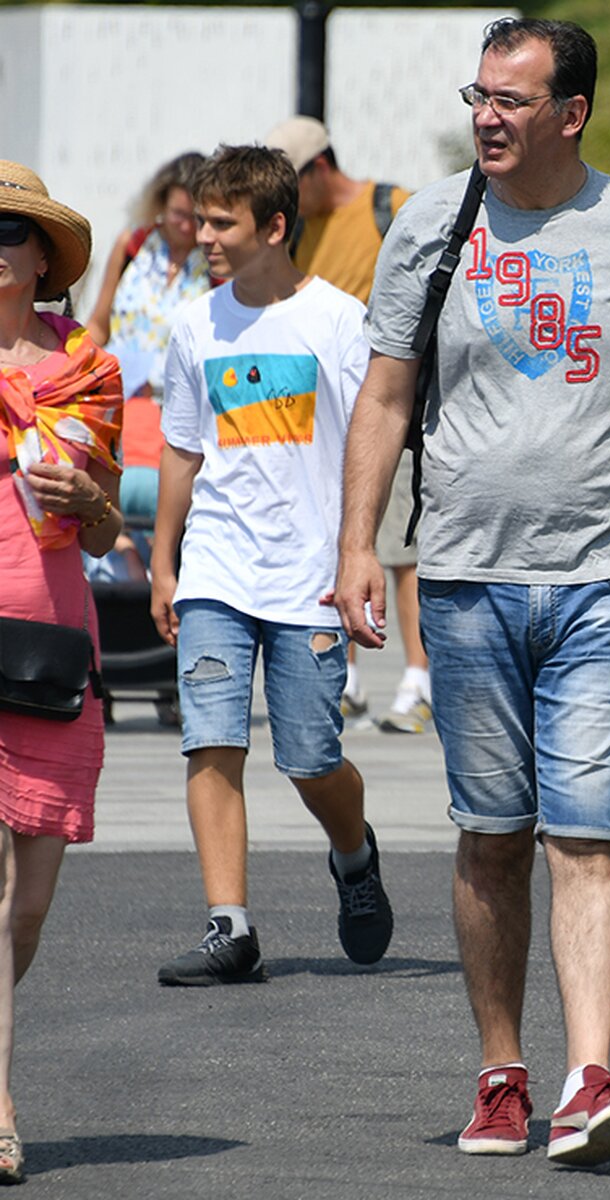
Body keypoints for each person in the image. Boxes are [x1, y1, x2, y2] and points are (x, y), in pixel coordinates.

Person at [334, 17, 610, 1168]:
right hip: (462, 580)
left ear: (573, 113)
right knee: (492, 837)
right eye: (480, 96)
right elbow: (386, 399)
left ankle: (589, 1076)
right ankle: (502, 1073)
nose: (489, 116)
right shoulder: (430, 222)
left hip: (604, 577)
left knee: (587, 833)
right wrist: (358, 546)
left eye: (513, 99)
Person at [150, 145, 392, 986]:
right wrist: (162, 562)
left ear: (275, 226)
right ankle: (230, 927)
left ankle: (354, 856)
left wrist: (359, 553)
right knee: (210, 739)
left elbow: (373, 439)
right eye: (202, 219)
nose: (204, 235)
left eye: (222, 222)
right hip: (217, 566)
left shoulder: (338, 321)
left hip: (310, 576)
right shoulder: (194, 323)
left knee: (309, 757)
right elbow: (182, 449)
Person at [0, 160, 125, 1182]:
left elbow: (107, 524)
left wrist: (84, 489)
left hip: (47, 645)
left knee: (25, 907)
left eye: (6, 231)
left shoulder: (89, 367)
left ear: (41, 257)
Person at [265, 117, 429, 732]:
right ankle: (348, 679)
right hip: (324, 413)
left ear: (319, 169)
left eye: (290, 183)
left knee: (402, 550)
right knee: (339, 539)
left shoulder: (393, 208)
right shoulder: (297, 231)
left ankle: (420, 679)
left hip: (392, 407)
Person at [86, 152, 213, 522]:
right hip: (118, 404)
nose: (187, 227)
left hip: (174, 412)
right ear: (160, 205)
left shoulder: (215, 265)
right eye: (178, 214)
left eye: (197, 217)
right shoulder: (134, 245)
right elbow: (100, 321)